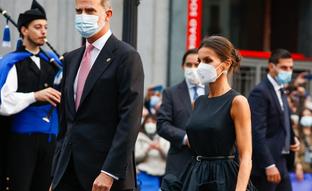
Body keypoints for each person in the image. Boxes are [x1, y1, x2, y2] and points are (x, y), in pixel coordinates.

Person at [50, 0, 144, 191]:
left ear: (107, 14)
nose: (83, 16)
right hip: (68, 172)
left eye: (90, 10)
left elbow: (130, 119)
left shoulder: (126, 57)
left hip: (104, 176)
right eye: (79, 11)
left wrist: (109, 172)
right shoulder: (71, 58)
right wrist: (56, 171)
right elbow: (66, 120)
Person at [162, 36, 256, 191]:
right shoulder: (198, 102)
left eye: (207, 60)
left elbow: (246, 156)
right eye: (199, 61)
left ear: (226, 64)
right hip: (195, 176)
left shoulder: (237, 102)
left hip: (223, 179)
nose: (200, 67)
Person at [0, 1, 62, 190]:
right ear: (24, 31)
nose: (43, 31)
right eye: (37, 27)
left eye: (45, 27)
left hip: (51, 138)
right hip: (22, 139)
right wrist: (35, 96)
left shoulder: (53, 63)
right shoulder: (12, 63)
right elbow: (4, 103)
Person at [248, 49, 300, 191]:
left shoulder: (281, 90)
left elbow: (284, 123)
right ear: (271, 67)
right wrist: (268, 165)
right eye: (284, 67)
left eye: (290, 68)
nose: (288, 71)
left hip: (282, 161)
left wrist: (293, 140)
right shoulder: (260, 92)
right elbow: (256, 132)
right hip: (267, 166)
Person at [157, 48, 206, 178]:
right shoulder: (171, 93)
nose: (193, 68)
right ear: (182, 67)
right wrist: (185, 138)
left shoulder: (212, 92)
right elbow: (162, 125)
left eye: (197, 65)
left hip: (207, 166)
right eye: (189, 65)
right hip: (179, 165)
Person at [135, 114, 170, 191]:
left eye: (153, 122)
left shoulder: (164, 137)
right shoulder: (139, 137)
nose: (150, 124)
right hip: (145, 175)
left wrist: (160, 149)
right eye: (148, 122)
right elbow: (135, 157)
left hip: (163, 175)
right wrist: (147, 149)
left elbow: (169, 156)